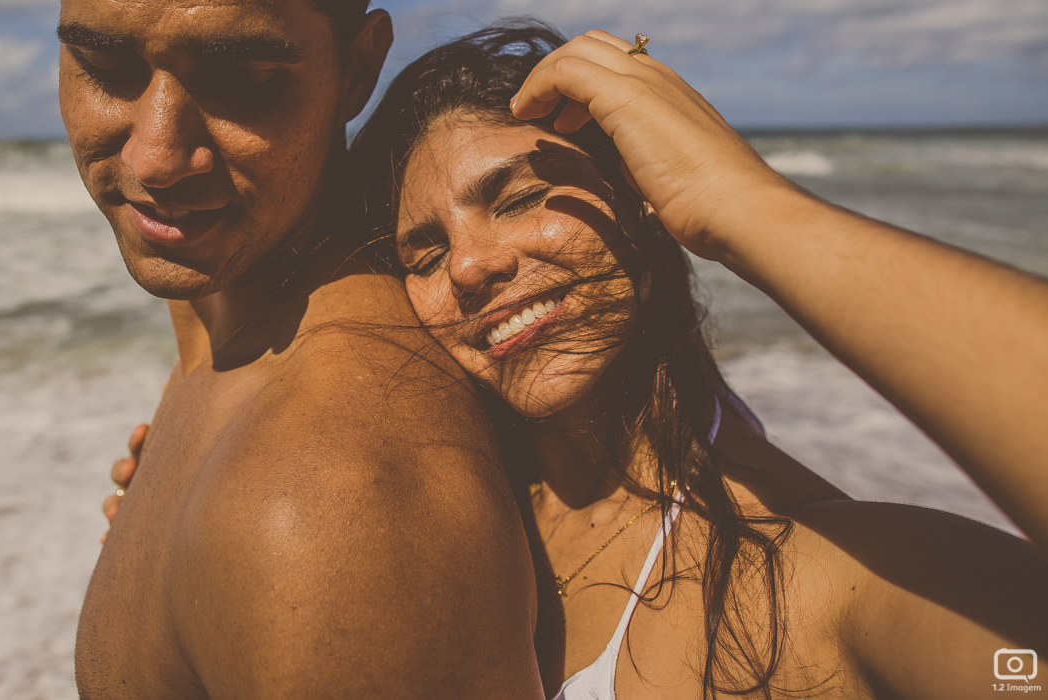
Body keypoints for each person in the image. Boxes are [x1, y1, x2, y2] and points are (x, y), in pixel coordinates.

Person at [105, 22, 1048, 700]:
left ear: (645, 201)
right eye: (423, 254)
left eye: (519, 197)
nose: (471, 266)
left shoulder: (834, 582)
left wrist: (745, 205)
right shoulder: (441, 513)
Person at [60, 0, 545, 696]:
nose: (157, 158)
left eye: (243, 79)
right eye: (104, 67)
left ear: (357, 67)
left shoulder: (333, 495)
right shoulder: (216, 308)